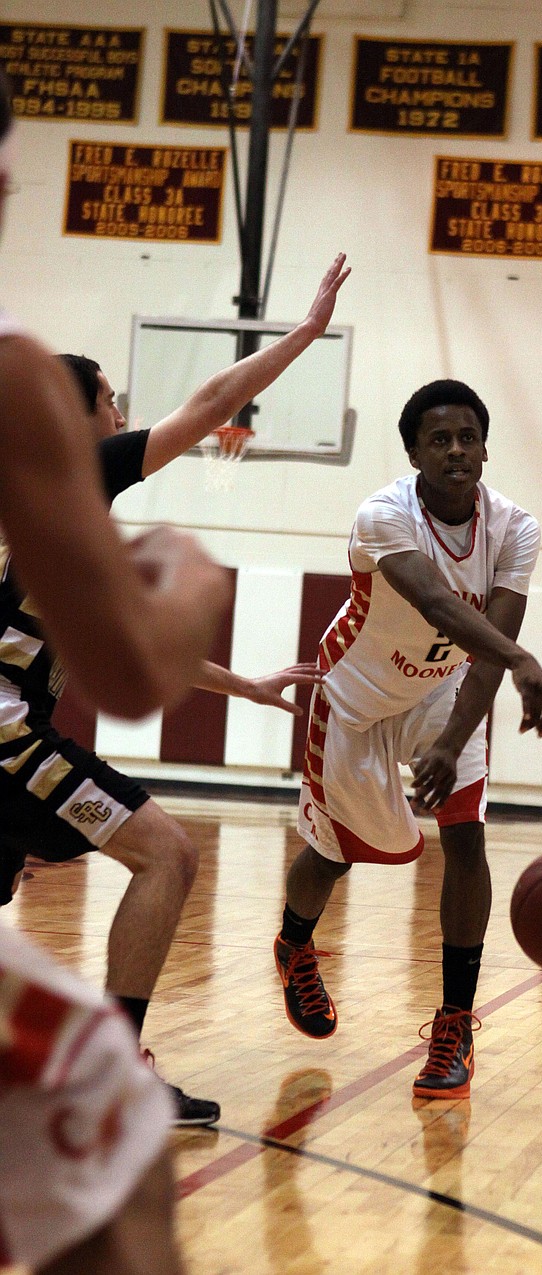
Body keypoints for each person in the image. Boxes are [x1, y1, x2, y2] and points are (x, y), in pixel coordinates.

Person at [0, 254, 350, 1126]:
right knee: (168, 854)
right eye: (111, 399)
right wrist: (304, 333)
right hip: (5, 734)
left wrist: (252, 687)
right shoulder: (75, 474)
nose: (122, 414)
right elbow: (209, 408)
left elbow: (132, 635)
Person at [0, 66, 224, 1275]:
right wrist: (190, 576)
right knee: (116, 1169)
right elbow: (133, 674)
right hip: (5, 733)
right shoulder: (22, 392)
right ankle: (128, 1051)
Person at [274, 378, 542, 1100]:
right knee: (337, 854)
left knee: (466, 837)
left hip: (442, 693)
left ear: (485, 447)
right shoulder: (384, 515)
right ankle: (295, 943)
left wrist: (455, 734)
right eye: (440, 438)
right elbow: (433, 600)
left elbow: (491, 645)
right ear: (414, 453)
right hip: (357, 697)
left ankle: (454, 1021)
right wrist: (524, 660)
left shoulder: (514, 529)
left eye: (468, 436)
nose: (456, 449)